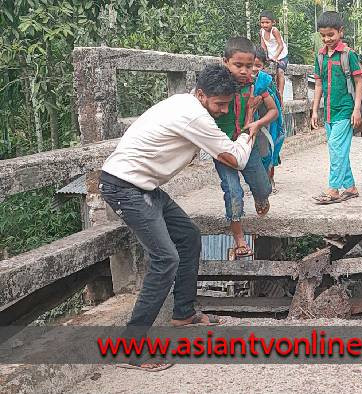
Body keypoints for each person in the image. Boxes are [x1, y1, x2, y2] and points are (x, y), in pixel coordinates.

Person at [99, 64, 255, 370]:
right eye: (218, 104)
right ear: (200, 95)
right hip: (125, 187)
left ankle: (183, 312)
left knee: (188, 235)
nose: (222, 112)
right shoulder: (194, 115)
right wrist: (249, 135)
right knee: (165, 258)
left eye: (227, 105)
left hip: (144, 186)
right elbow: (235, 158)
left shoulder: (186, 104)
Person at [216, 37, 277, 258]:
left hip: (247, 144)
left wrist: (257, 123)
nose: (244, 71)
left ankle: (261, 197)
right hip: (222, 147)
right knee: (233, 190)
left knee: (262, 187)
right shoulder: (217, 84)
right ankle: (239, 239)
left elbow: (273, 111)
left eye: (249, 66)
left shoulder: (258, 84)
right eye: (238, 65)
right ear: (225, 62)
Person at [311, 11, 362, 204]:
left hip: (345, 110)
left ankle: (333, 190)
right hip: (329, 112)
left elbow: (359, 82)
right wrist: (315, 109)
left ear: (340, 32)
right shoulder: (320, 57)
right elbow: (318, 85)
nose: (327, 39)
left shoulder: (348, 55)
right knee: (338, 150)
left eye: (331, 35)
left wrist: (356, 109)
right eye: (323, 35)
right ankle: (350, 187)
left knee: (336, 147)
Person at [252, 46, 285, 191]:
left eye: (258, 65)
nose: (253, 69)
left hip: (267, 120)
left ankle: (268, 178)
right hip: (248, 121)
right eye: (250, 64)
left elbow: (274, 105)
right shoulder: (238, 79)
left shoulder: (265, 81)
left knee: (267, 149)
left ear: (264, 66)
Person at [259, 10, 289, 104]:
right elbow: (263, 46)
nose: (264, 25)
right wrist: (264, 57)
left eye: (267, 22)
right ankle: (269, 93)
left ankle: (280, 94)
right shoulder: (262, 32)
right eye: (262, 22)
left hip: (281, 56)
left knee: (280, 71)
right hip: (271, 57)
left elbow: (281, 45)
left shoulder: (274, 31)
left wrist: (276, 57)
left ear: (273, 22)